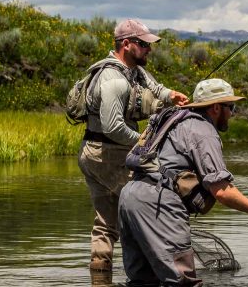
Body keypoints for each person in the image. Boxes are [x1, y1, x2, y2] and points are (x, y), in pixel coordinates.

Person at [118, 78, 248, 286]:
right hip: (157, 202)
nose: (232, 113)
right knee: (183, 282)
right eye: (230, 107)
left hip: (130, 195)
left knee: (142, 281)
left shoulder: (174, 118)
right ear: (215, 108)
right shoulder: (203, 130)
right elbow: (222, 191)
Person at [78, 19, 189, 272]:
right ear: (126, 44)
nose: (149, 49)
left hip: (96, 152)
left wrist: (172, 96)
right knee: (149, 202)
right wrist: (145, 143)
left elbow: (155, 88)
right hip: (104, 153)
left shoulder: (134, 71)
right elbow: (113, 127)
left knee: (106, 222)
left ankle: (100, 275)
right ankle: (157, 269)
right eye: (143, 44)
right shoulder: (113, 79)